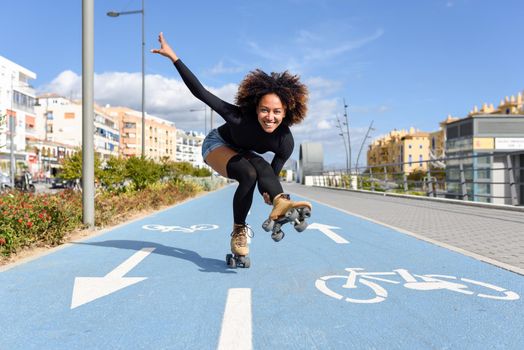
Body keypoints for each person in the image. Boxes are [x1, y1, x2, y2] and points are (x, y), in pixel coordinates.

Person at [152, 32, 312, 259]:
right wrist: (173, 57)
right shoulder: (239, 118)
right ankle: (239, 231)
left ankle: (282, 205)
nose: (270, 117)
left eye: (277, 112)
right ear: (256, 108)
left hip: (240, 152)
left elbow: (270, 176)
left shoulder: (285, 141)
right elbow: (201, 93)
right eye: (264, 110)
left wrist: (270, 194)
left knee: (260, 168)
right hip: (215, 144)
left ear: (286, 113)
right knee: (248, 173)